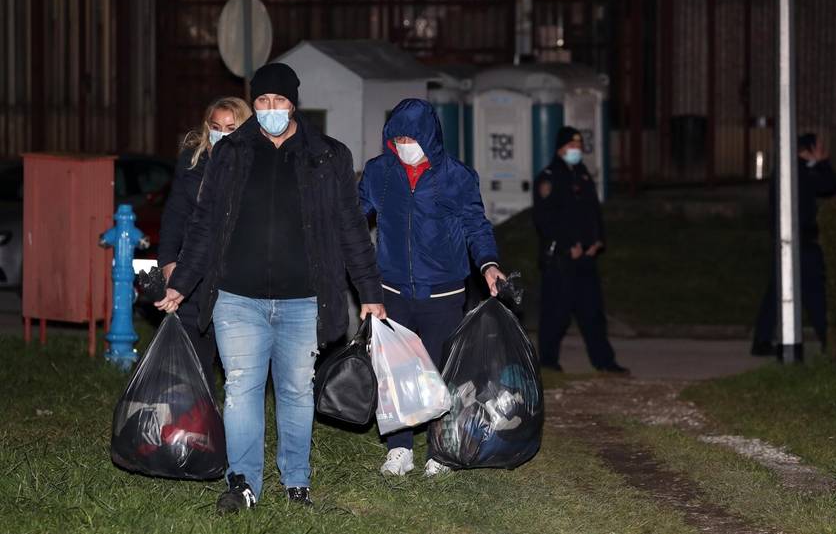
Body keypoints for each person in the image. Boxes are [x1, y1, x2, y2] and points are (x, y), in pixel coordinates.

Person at [154, 62, 385, 513]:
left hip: (304, 299)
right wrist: (181, 283)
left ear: (293, 103)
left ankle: (296, 482)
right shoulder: (230, 154)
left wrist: (370, 291)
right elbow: (203, 226)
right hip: (237, 298)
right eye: (262, 101)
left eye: (279, 101)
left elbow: (351, 229)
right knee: (241, 387)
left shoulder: (328, 156)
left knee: (297, 390)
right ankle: (243, 482)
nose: (270, 109)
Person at [358, 98, 506, 478]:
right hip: (392, 289)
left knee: (441, 374)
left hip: (442, 292)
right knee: (396, 373)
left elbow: (476, 225)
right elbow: (353, 216)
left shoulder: (456, 176)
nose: (404, 144)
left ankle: (440, 450)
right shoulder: (379, 173)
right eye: (398, 137)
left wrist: (488, 264)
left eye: (412, 137)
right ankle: (399, 449)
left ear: (429, 137)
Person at [157, 96, 251, 391]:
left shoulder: (252, 168)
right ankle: (197, 423)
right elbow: (175, 215)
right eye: (215, 126)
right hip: (191, 273)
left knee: (233, 362)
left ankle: (230, 426)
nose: (221, 133)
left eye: (231, 127)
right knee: (191, 362)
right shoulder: (192, 162)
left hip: (232, 279)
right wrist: (169, 262)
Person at [532, 126, 628, 374]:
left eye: (579, 146)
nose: (577, 151)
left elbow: (592, 212)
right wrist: (568, 245)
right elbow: (546, 220)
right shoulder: (549, 177)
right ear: (561, 148)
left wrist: (597, 240)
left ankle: (604, 362)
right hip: (561, 260)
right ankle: (549, 362)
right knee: (556, 314)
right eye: (572, 146)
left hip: (585, 258)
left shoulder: (583, 175)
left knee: (593, 314)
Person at [751, 132, 836, 356]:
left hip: (785, 240)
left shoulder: (788, 171)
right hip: (802, 243)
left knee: (776, 291)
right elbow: (829, 187)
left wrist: (814, 163)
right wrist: (823, 163)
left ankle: (761, 341)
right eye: (819, 148)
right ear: (809, 150)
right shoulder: (802, 173)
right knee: (814, 292)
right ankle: (828, 343)